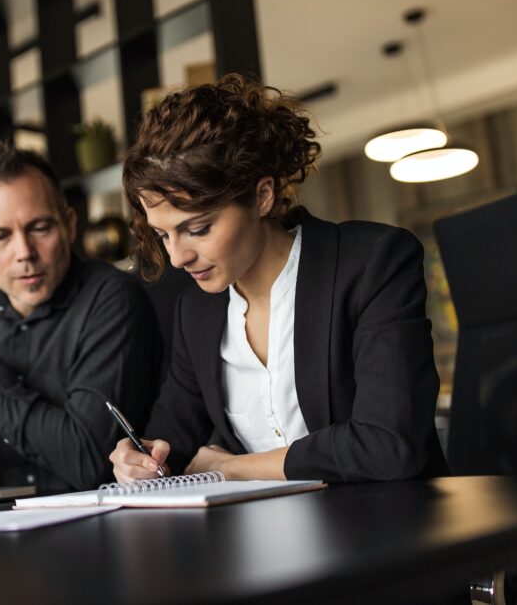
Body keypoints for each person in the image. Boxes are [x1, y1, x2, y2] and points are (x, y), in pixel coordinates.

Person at [109, 74, 448, 484]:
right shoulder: (197, 310)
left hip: (392, 529)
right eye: (164, 235)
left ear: (262, 196)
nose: (178, 257)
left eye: (197, 229)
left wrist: (230, 468)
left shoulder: (371, 263)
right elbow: (171, 440)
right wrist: (140, 459)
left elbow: (389, 446)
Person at [0, 145, 161, 494]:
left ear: (69, 225)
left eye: (40, 228)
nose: (24, 253)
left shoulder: (113, 299)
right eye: (0, 236)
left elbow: (89, 459)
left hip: (100, 527)